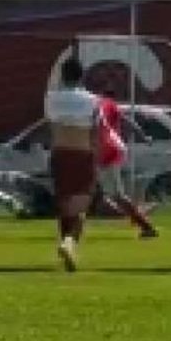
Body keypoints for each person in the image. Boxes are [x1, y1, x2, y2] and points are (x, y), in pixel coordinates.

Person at [45, 57, 102, 272]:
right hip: (82, 153)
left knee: (64, 204)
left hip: (60, 152)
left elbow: (52, 124)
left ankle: (66, 245)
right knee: (82, 206)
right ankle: (69, 243)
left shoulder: (51, 98)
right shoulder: (93, 101)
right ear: (82, 76)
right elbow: (95, 132)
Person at [94, 92, 159, 239]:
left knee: (115, 195)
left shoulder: (93, 105)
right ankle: (139, 214)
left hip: (105, 150)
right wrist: (143, 135)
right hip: (112, 148)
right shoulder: (108, 104)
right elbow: (126, 120)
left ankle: (145, 224)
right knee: (106, 196)